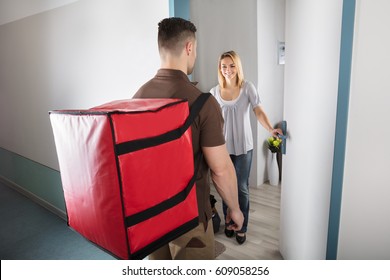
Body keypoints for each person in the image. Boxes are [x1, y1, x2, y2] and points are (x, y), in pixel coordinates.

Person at [133, 18, 244, 259]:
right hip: (189, 217)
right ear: (189, 48)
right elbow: (221, 170)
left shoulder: (138, 97)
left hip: (151, 217)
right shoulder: (203, 103)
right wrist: (235, 209)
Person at [210, 50, 282, 245]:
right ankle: (229, 221)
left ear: (238, 67)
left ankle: (242, 226)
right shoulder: (214, 92)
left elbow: (258, 111)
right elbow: (211, 121)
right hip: (222, 149)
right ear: (220, 68)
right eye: (224, 66)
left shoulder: (248, 88)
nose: (228, 70)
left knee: (241, 188)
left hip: (244, 148)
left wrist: (269, 129)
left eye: (232, 65)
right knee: (226, 189)